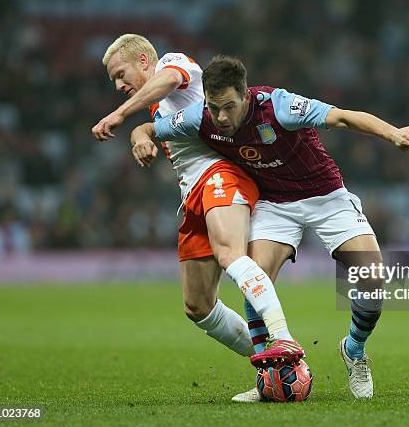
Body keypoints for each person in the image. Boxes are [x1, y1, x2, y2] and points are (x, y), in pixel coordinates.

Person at [131, 55, 409, 399]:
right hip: (274, 204)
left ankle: (354, 350)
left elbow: (342, 117)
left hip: (325, 195)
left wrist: (393, 133)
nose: (222, 117)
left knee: (373, 278)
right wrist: (140, 137)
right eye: (214, 107)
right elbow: (150, 128)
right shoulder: (201, 116)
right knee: (255, 277)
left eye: (228, 106)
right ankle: (268, 376)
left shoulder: (279, 106)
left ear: (245, 94)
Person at [91, 35, 304, 388]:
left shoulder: (175, 66)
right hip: (194, 196)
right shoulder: (156, 108)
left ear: (144, 61)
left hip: (221, 176)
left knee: (230, 255)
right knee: (198, 307)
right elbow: (149, 127)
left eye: (120, 73)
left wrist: (119, 115)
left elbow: (172, 79)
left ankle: (283, 339)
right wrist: (138, 136)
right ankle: (275, 370)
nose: (117, 85)